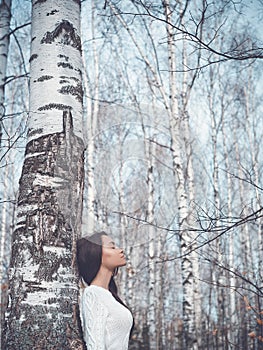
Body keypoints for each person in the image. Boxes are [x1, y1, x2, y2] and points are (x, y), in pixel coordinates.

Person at [76, 231, 133, 350]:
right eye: (112, 247)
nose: (120, 250)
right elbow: (95, 346)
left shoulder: (109, 296)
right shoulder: (92, 294)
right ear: (95, 254)